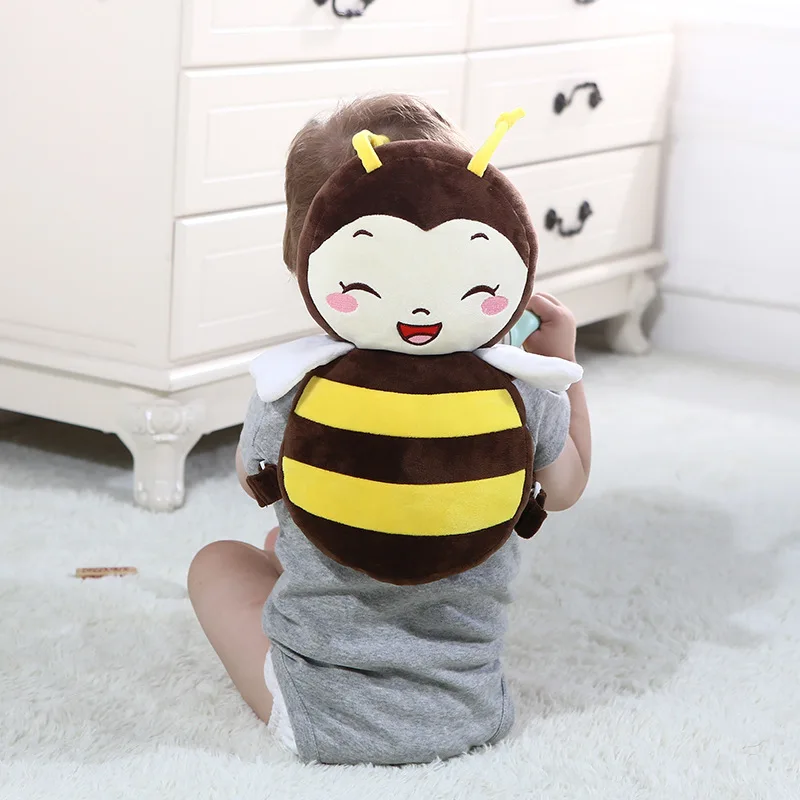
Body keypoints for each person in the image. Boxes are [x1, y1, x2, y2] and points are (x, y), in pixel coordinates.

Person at [187, 94, 591, 765]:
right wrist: (561, 369)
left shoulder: (294, 387)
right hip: (471, 706)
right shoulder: (518, 391)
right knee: (283, 544)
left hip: (318, 714)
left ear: (307, 256)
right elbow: (568, 488)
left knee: (221, 561)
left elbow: (249, 475)